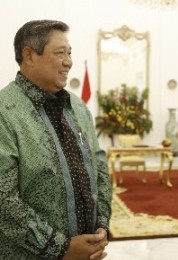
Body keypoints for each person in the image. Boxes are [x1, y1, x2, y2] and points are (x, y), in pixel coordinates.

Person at [0, 20, 112, 259]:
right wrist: (62, 249)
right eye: (60, 53)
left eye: (69, 53)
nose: (69, 61)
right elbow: (4, 201)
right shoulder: (4, 112)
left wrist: (101, 226)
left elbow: (100, 168)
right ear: (29, 56)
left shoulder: (78, 107)